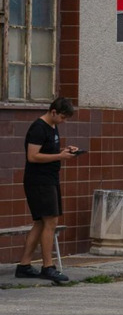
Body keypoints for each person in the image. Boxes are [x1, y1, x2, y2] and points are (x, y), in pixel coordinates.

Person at [15, 97, 79, 284]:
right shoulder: (38, 128)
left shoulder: (52, 127)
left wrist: (67, 150)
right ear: (53, 112)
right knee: (50, 221)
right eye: (62, 117)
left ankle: (24, 266)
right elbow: (33, 156)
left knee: (40, 223)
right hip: (39, 181)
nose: (63, 121)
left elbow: (49, 151)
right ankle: (48, 267)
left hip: (50, 179)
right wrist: (60, 155)